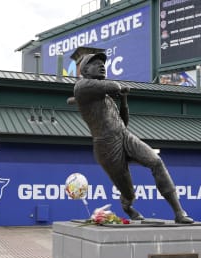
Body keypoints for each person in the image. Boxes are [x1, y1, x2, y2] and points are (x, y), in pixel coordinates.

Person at [68, 52, 193, 223]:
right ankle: (127, 206)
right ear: (85, 70)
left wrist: (123, 100)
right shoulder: (81, 87)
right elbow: (113, 86)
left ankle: (179, 212)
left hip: (124, 135)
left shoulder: (104, 97)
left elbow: (123, 121)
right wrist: (119, 89)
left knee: (156, 162)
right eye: (96, 63)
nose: (102, 65)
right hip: (107, 146)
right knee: (129, 194)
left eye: (102, 63)